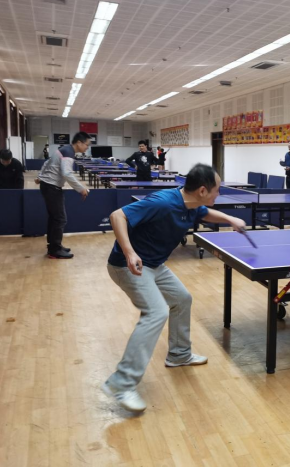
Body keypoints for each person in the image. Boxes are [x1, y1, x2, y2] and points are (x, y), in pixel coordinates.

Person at [102, 164, 246, 413]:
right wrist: (129, 252)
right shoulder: (163, 203)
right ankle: (121, 383)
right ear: (203, 190)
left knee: (182, 299)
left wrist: (229, 219)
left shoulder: (191, 203)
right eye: (217, 189)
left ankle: (179, 355)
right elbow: (117, 216)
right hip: (128, 266)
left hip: (154, 265)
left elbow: (204, 212)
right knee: (156, 312)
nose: (219, 194)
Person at [36, 132, 91, 259]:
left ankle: (54, 246)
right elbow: (67, 173)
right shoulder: (68, 152)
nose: (87, 148)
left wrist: (41, 176)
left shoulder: (64, 149)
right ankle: (55, 250)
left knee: (54, 218)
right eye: (86, 145)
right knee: (60, 218)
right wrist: (81, 189)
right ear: (79, 143)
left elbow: (47, 163)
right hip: (52, 187)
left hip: (48, 185)